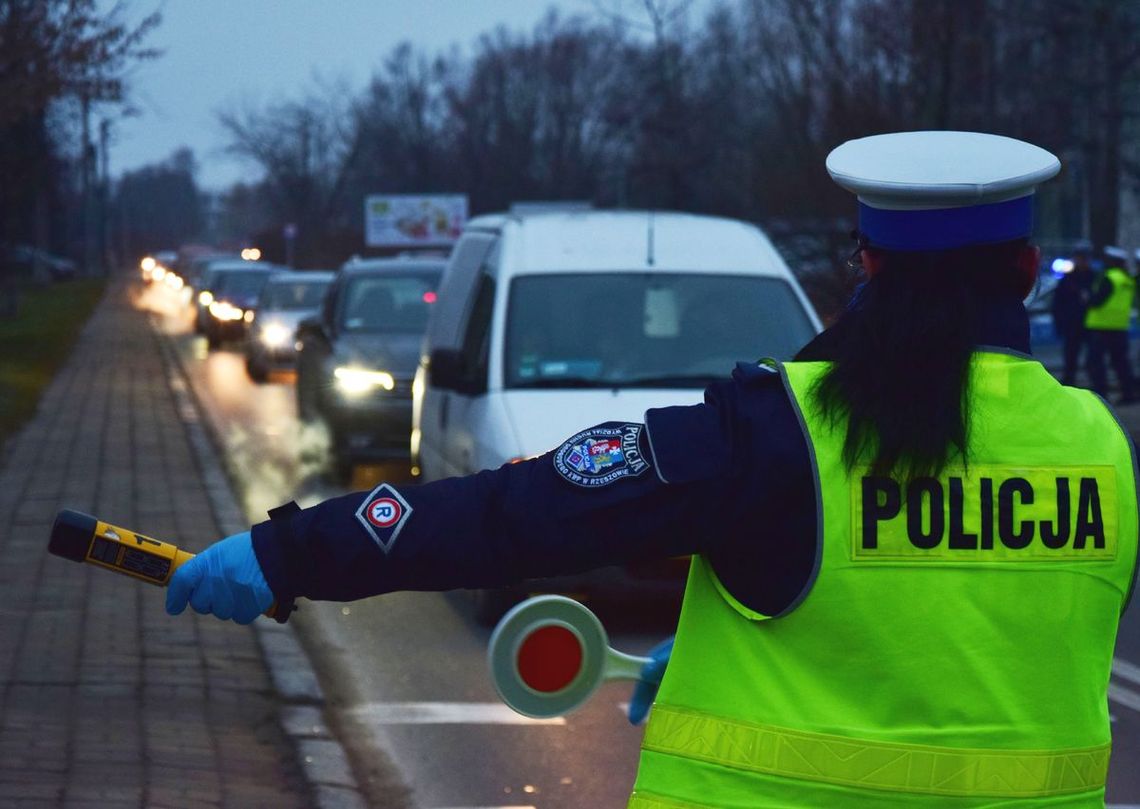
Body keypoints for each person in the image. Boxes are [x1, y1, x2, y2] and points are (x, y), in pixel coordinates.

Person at [166, 132, 1138, 808]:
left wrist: (290, 548)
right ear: (1026, 272)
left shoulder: (777, 432)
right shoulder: (1100, 444)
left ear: (867, 269)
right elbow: (979, 624)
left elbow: (515, 513)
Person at [1085, 244, 1137, 403]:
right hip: (1119, 327)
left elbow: (1097, 301)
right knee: (1121, 363)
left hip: (1101, 326)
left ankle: (1101, 395)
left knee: (1095, 363)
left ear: (1112, 261)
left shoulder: (1109, 277)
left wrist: (1087, 299)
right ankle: (1128, 394)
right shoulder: (1127, 279)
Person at [1051, 240, 1095, 385]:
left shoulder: (1094, 277)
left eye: (1084, 257)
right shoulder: (1068, 279)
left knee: (1094, 358)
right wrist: (1059, 323)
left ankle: (1097, 384)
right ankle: (1069, 383)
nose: (1081, 260)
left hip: (1091, 324)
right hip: (1072, 324)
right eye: (1079, 257)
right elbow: (1057, 304)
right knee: (1070, 357)